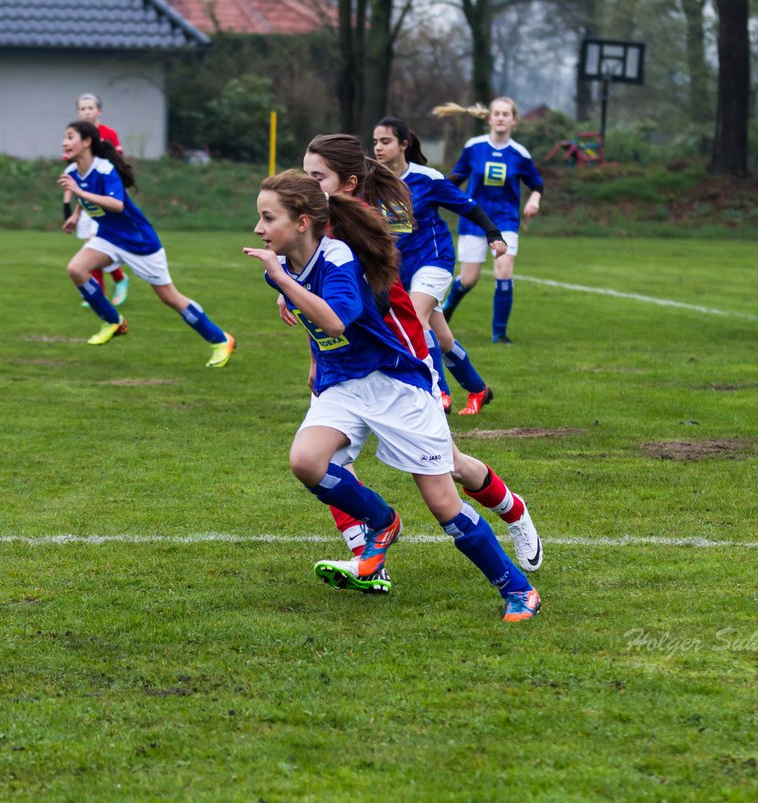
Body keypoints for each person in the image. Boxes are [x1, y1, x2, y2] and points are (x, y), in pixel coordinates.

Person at [242, 170, 541, 622]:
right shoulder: (283, 266)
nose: (259, 229)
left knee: (444, 505)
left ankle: (518, 590)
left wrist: (284, 284)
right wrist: (295, 311)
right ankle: (383, 522)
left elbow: (336, 321)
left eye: (268, 218)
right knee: (306, 461)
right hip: (342, 384)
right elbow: (314, 322)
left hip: (394, 385)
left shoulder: (339, 258)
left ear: (302, 222)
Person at [299, 133, 543, 572]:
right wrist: (316, 356)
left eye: (318, 177)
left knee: (451, 468)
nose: (308, 185)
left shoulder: (360, 228)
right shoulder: (314, 226)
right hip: (346, 370)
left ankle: (513, 510)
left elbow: (343, 308)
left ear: (348, 183)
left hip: (398, 366)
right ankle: (367, 558)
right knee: (322, 463)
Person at [59, 120, 237, 365]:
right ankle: (114, 322)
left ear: (87, 141)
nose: (64, 142)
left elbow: (116, 204)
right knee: (76, 269)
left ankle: (220, 339)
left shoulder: (105, 169)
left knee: (170, 298)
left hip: (138, 241)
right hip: (108, 236)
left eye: (70, 137)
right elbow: (86, 192)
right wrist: (76, 216)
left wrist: (79, 194)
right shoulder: (72, 172)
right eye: (65, 137)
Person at [371, 116, 506, 416]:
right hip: (397, 269)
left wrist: (493, 233)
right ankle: (478, 389)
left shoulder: (427, 178)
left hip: (434, 261)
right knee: (442, 338)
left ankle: (438, 392)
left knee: (416, 320)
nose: (378, 147)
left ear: (404, 144)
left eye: (386, 141)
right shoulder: (372, 182)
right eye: (376, 142)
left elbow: (466, 205)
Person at [438, 98, 544, 344]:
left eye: (506, 114)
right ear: (489, 118)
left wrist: (534, 199)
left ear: (514, 120)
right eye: (496, 113)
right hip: (474, 219)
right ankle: (445, 312)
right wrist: (435, 190)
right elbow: (456, 177)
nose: (500, 118)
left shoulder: (519, 153)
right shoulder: (474, 147)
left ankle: (499, 334)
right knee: (468, 279)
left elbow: (536, 183)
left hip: (505, 220)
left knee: (504, 271)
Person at [63, 93, 130, 307]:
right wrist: (74, 212)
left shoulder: (108, 134)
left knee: (96, 243)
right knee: (89, 245)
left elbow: (118, 164)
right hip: (87, 200)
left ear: (99, 111)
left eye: (90, 108)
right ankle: (98, 292)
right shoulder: (75, 138)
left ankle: (120, 279)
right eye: (83, 109)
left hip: (107, 199)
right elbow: (81, 179)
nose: (87, 112)